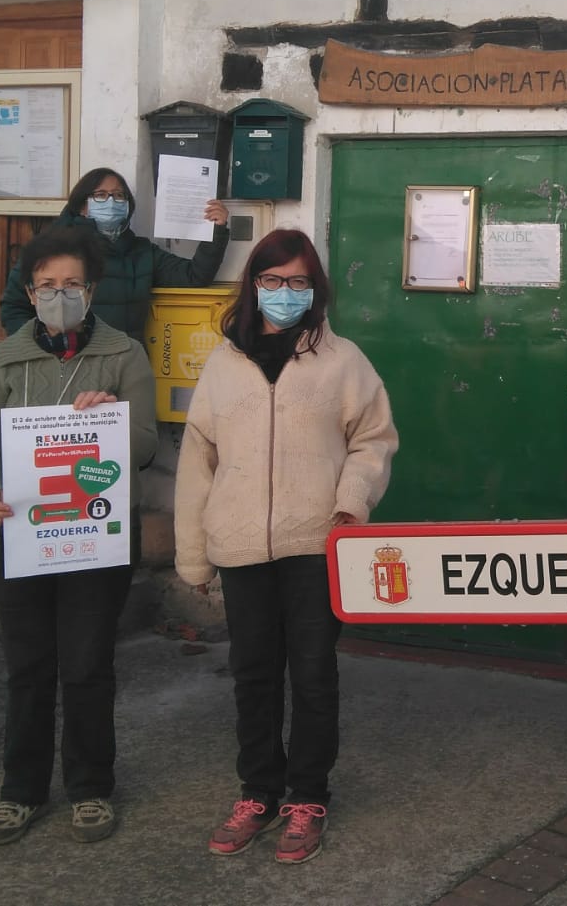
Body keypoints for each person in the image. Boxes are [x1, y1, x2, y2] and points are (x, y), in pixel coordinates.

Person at [174, 229, 397, 865]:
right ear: (253, 286)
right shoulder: (223, 363)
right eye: (272, 281)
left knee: (313, 674)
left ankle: (307, 796)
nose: (284, 293)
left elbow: (373, 439)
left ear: (315, 289)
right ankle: (258, 791)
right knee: (253, 674)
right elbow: (198, 461)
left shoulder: (343, 360)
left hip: (315, 543)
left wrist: (352, 500)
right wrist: (194, 553)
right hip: (242, 546)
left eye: (298, 281)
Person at [0, 225, 158, 846]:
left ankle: (90, 788)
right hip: (21, 534)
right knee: (27, 665)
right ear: (29, 290)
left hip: (94, 534)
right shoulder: (6, 357)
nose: (59, 294)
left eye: (71, 283)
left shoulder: (123, 355)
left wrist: (110, 420)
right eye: (47, 285)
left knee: (86, 665)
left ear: (92, 289)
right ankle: (19, 791)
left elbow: (147, 445)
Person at [0, 167, 229, 337]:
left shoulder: (141, 251)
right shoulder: (50, 249)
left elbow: (194, 276)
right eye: (100, 195)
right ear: (82, 206)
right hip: (69, 364)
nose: (111, 201)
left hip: (126, 365)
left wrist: (216, 230)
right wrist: (40, 347)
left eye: (119, 196)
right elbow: (14, 307)